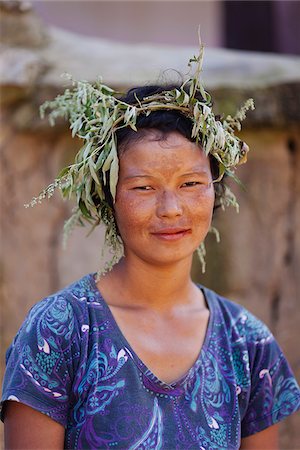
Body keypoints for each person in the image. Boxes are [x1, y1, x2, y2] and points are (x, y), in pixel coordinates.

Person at [1, 49, 299, 450]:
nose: (171, 208)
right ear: (110, 199)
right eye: (144, 187)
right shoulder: (60, 330)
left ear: (216, 191)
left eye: (191, 183)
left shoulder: (247, 344)